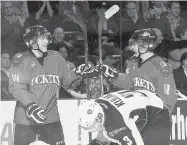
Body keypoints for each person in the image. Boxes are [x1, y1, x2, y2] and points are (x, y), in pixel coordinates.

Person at [8, 25, 95, 145]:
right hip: (26, 121)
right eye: (42, 38)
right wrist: (31, 106)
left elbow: (67, 80)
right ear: (32, 41)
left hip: (51, 119)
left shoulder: (56, 57)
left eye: (47, 38)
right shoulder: (20, 60)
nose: (46, 41)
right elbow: (17, 88)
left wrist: (79, 73)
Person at [97, 28, 177, 114]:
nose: (131, 47)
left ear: (146, 45)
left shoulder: (160, 65)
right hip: (137, 111)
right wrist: (114, 76)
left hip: (155, 116)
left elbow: (168, 98)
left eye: (135, 44)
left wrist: (157, 116)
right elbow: (129, 83)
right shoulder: (132, 62)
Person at [78, 89, 171, 145]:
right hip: (141, 102)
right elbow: (102, 139)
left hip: (157, 113)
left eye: (94, 125)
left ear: (99, 116)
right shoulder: (98, 103)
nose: (94, 129)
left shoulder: (118, 122)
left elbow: (136, 142)